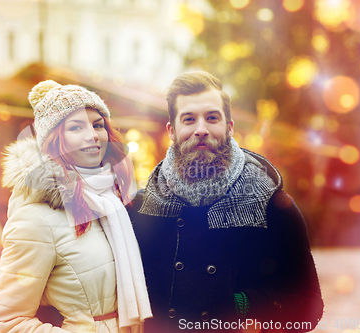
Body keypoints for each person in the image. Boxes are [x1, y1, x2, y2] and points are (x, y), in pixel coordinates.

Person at [127, 71, 324, 332]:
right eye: (189, 119)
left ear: (229, 127)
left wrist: (240, 305)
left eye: (212, 118)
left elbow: (309, 307)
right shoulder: (142, 208)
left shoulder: (271, 204)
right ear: (172, 131)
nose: (201, 130)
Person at [0, 81, 152, 333]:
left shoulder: (114, 204)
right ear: (53, 142)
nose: (93, 135)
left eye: (98, 125)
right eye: (76, 127)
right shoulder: (35, 220)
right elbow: (4, 323)